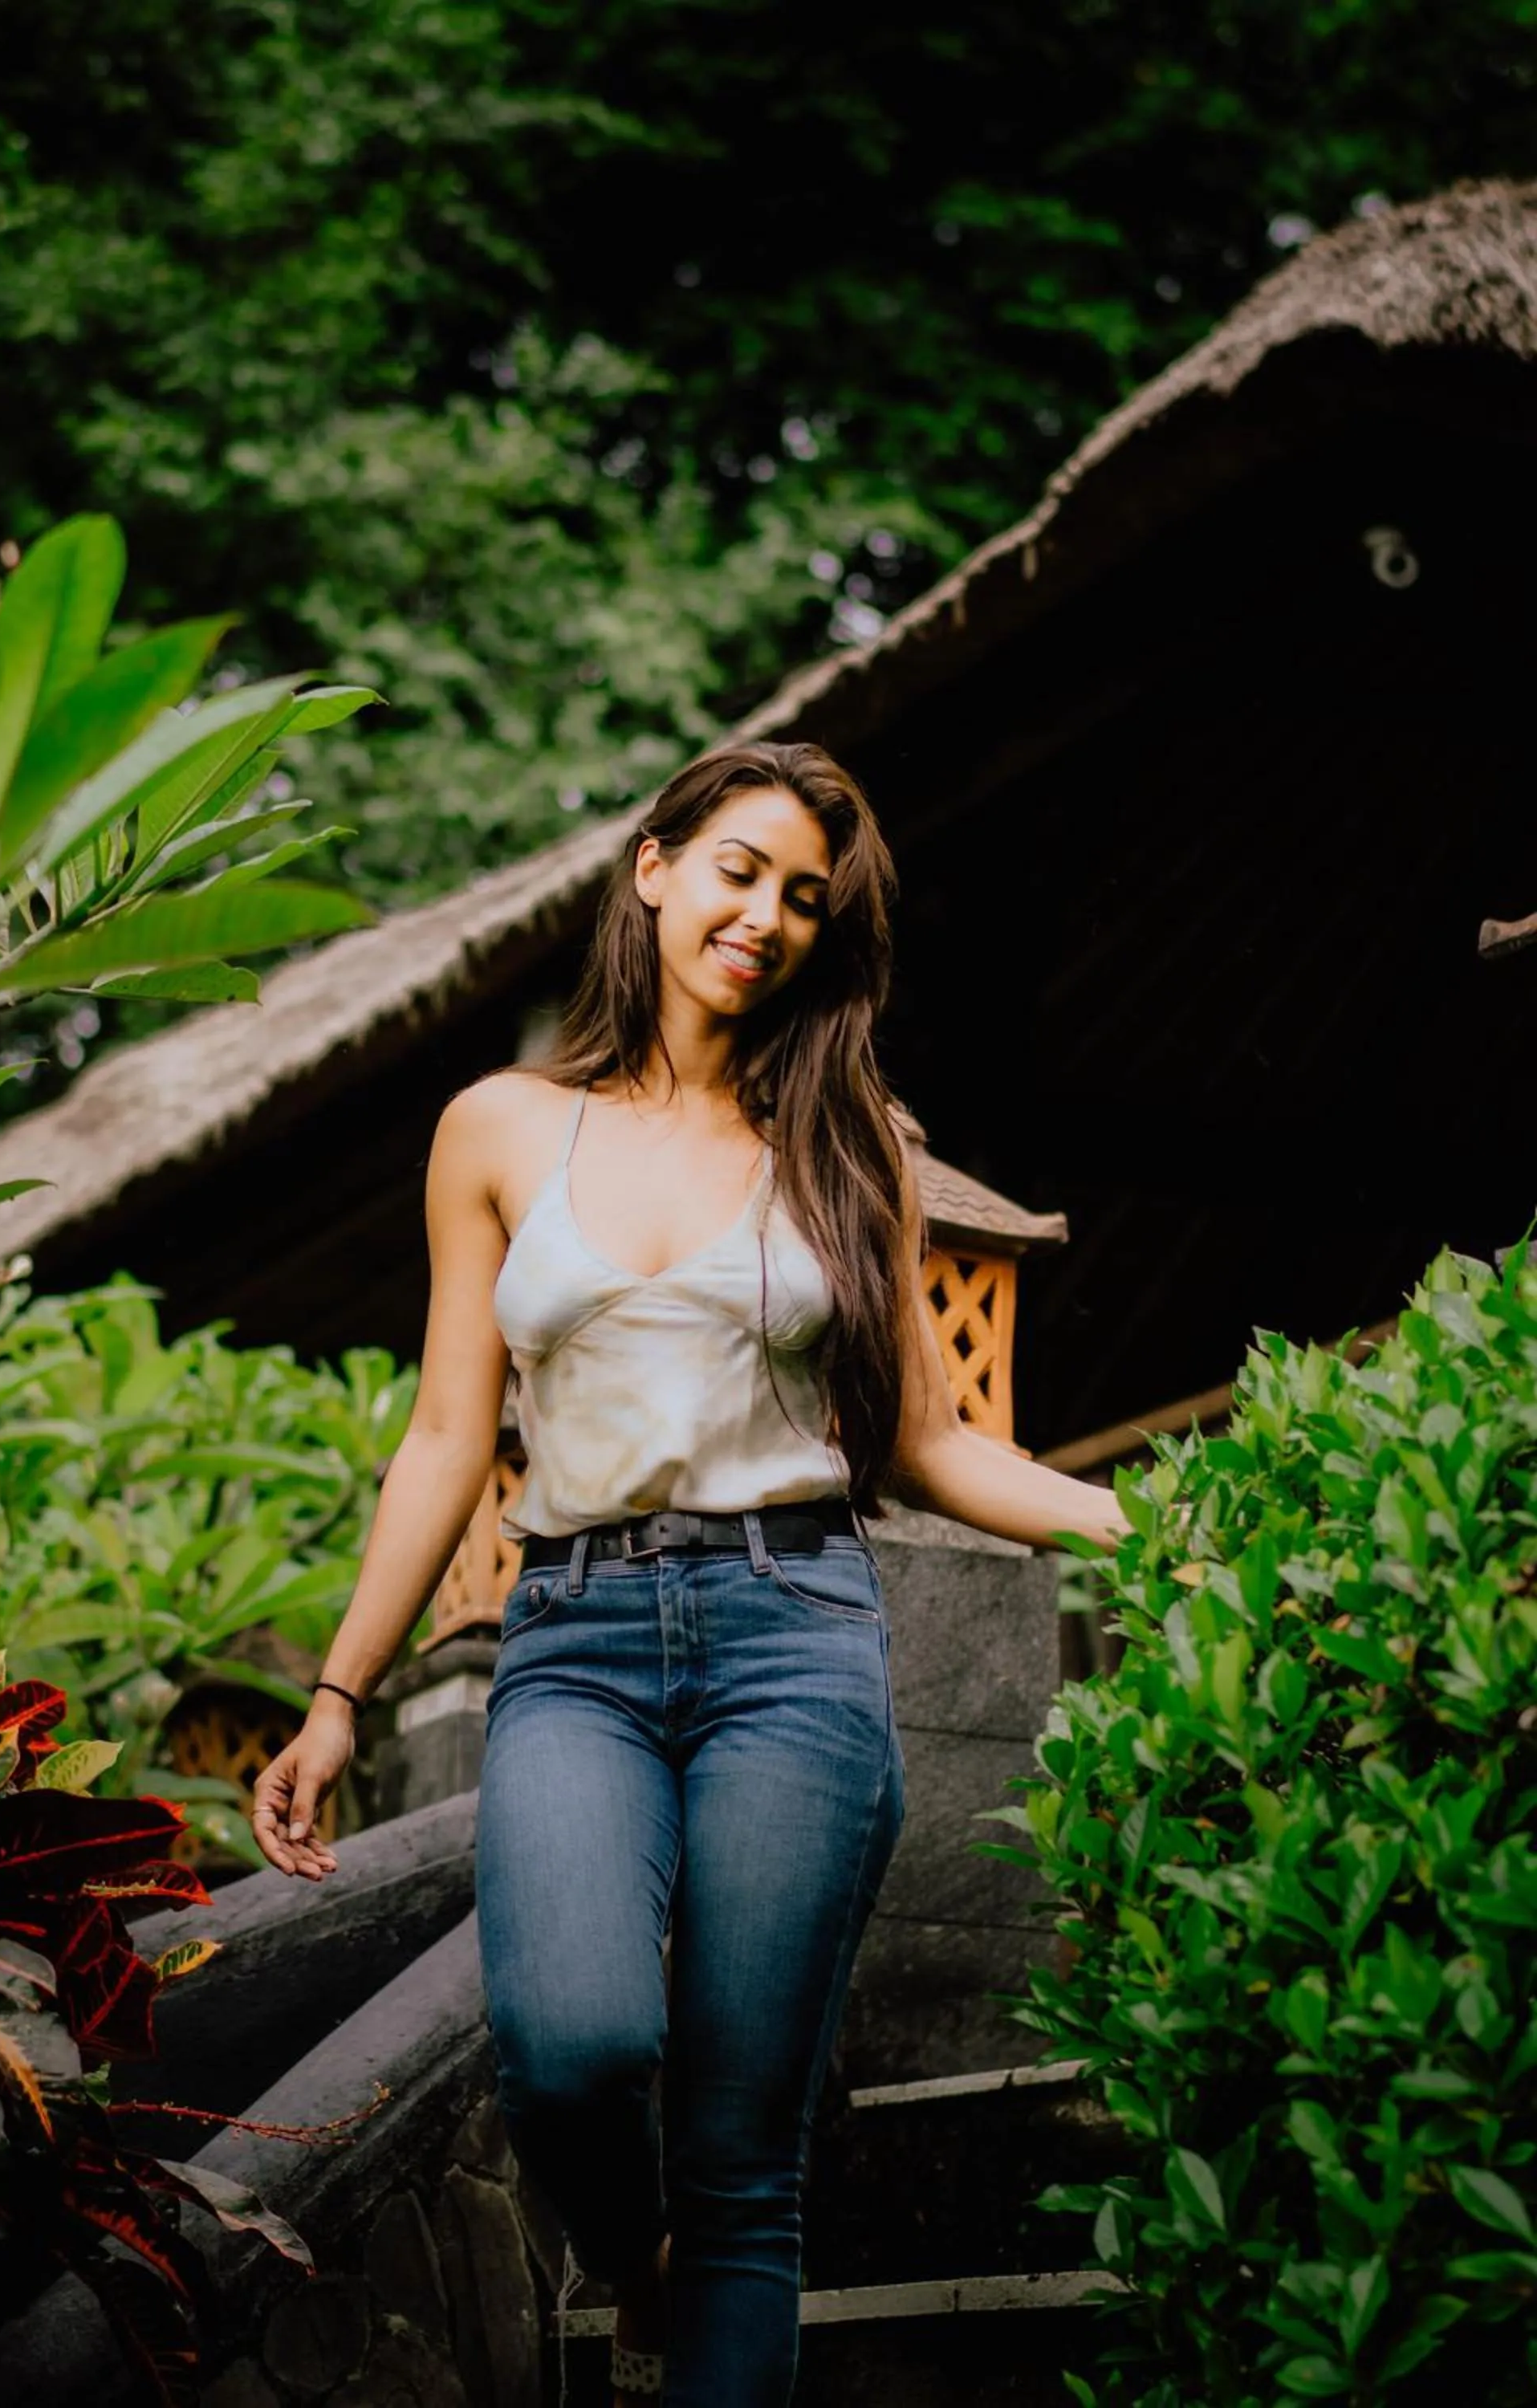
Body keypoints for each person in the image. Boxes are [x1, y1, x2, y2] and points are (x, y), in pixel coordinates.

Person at [252, 740, 1129, 2408]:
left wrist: (1147, 1531)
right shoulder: (499, 1128)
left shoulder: (853, 1142)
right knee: (571, 2055)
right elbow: (446, 1436)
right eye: (739, 870)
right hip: (572, 1642)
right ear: (653, 867)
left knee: (744, 2164)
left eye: (804, 899)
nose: (766, 917)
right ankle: (638, 2264)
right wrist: (339, 1692)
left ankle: (704, 2285)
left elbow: (934, 1446)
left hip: (792, 1636)